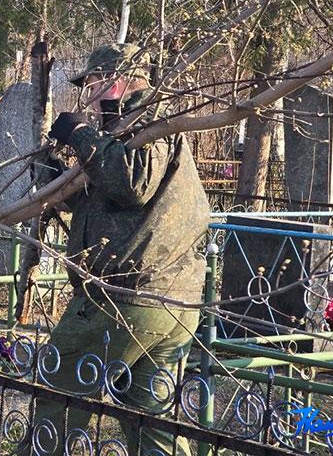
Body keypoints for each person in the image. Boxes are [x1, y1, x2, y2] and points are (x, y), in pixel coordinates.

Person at [27, 43, 211, 456]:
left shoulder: (149, 117)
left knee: (58, 392)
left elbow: (133, 183)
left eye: (91, 82)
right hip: (165, 298)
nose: (88, 93)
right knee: (151, 421)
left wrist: (80, 134)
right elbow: (113, 202)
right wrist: (60, 182)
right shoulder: (124, 128)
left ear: (114, 79)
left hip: (127, 296)